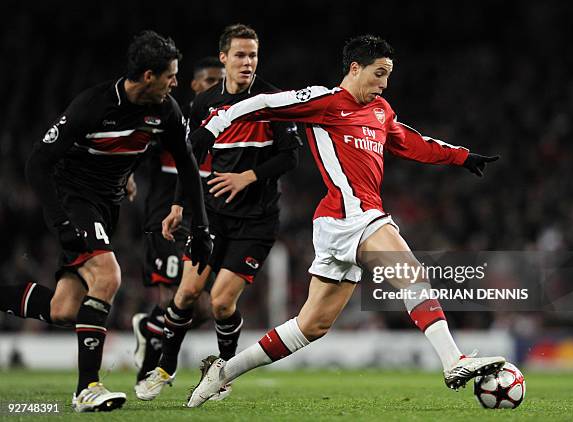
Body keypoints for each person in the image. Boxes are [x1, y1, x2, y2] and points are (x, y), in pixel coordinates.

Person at [185, 34, 504, 408]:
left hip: (344, 224)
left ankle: (223, 372)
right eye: (378, 74)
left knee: (311, 326)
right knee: (410, 271)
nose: (384, 84)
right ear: (355, 68)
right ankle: (453, 361)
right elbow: (266, 103)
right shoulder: (325, 101)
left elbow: (412, 142)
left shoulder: (381, 111)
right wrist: (214, 126)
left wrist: (462, 157)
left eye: (388, 76)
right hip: (350, 215)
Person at [0, 30, 212, 412]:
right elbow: (37, 163)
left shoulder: (164, 109)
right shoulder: (94, 104)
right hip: (74, 200)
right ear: (148, 75)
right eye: (170, 75)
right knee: (108, 276)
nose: (176, 83)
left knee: (66, 308)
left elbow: (187, 163)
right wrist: (61, 222)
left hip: (106, 205)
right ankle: (87, 387)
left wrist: (200, 228)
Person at [134, 24, 302, 401]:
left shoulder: (274, 101)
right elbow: (189, 158)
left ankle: (222, 374)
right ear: (223, 57)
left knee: (222, 302)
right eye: (240, 55)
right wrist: (177, 205)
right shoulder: (204, 103)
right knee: (187, 292)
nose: (247, 62)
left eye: (253, 55)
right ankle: (165, 366)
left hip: (257, 220)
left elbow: (290, 155)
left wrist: (249, 176)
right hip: (211, 215)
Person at [131, 57, 224, 387]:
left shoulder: (227, 119)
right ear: (195, 85)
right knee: (175, 298)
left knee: (201, 308)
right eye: (211, 79)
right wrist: (126, 176)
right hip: (166, 215)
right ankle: (152, 371)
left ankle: (150, 332)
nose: (217, 85)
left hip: (201, 217)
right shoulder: (173, 118)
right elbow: (137, 143)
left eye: (220, 80)